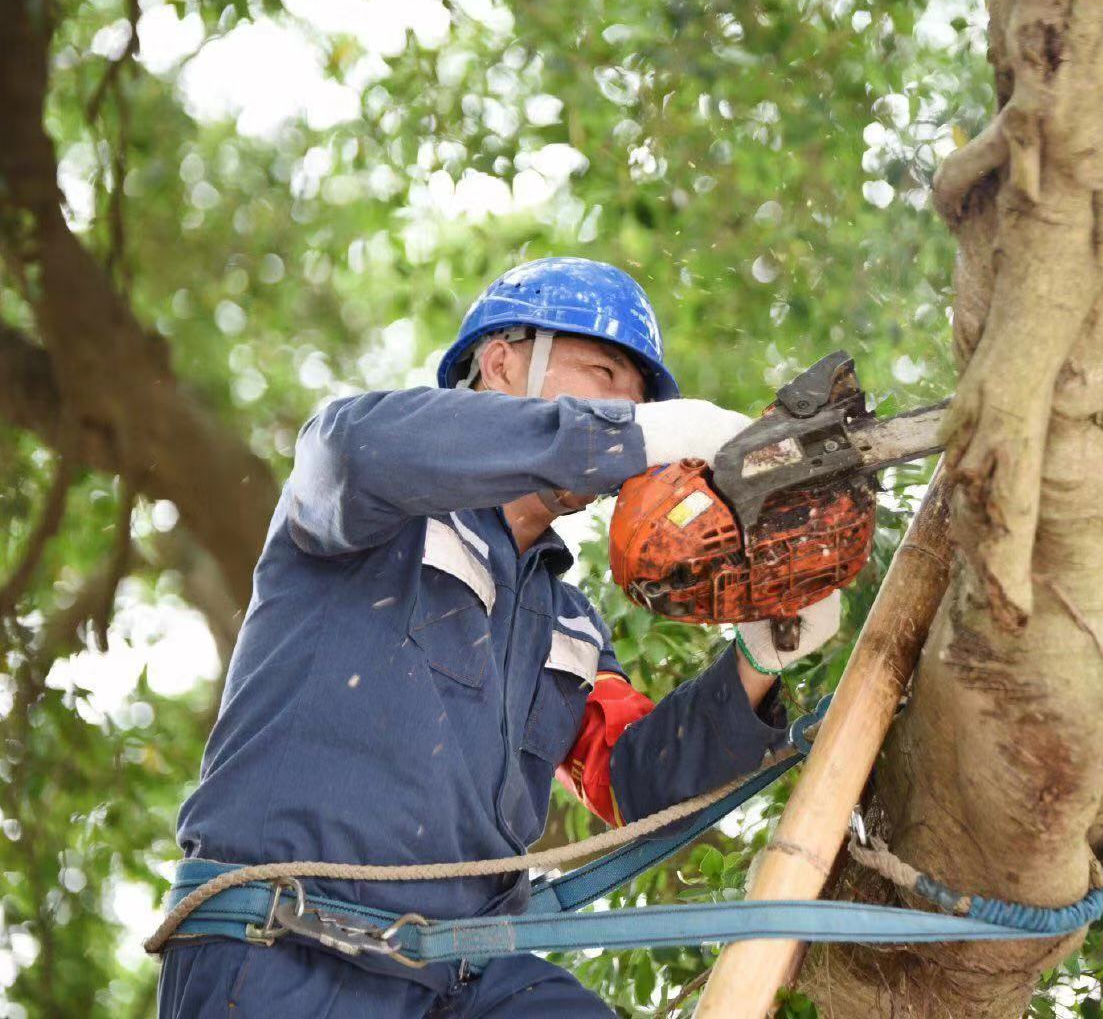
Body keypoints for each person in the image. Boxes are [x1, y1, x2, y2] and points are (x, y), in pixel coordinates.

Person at [158, 257, 841, 1017]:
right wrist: (629, 436)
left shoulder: (570, 624)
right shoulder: (372, 499)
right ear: (501, 361)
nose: (626, 408)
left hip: (467, 977)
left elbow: (634, 782)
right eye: (604, 373)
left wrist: (758, 655)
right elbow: (357, 453)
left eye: (641, 401)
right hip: (285, 951)